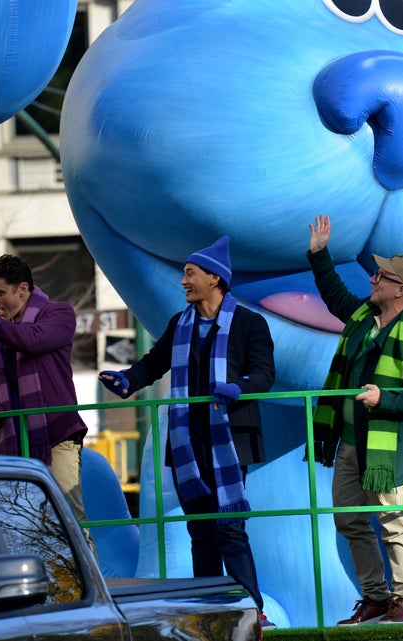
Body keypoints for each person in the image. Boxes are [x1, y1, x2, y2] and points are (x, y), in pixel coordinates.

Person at [98, 236, 276, 628]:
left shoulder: (250, 323)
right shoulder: (180, 324)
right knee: (200, 531)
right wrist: (128, 380)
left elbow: (264, 375)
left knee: (229, 527)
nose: (183, 281)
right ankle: (211, 611)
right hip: (186, 445)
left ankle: (252, 609)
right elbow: (153, 363)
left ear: (215, 278)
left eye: (190, 273)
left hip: (229, 442)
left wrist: (238, 388)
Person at [306, 214, 403, 625]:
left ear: (401, 290)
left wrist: (385, 399)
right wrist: (318, 255)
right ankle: (376, 597)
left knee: (392, 521)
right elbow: (335, 297)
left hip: (384, 449)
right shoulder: (362, 319)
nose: (372, 281)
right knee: (347, 519)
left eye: (380, 277)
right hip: (349, 441)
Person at [0, 255, 92, 542]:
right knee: (20, 530)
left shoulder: (59, 314)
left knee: (69, 522)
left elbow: (33, 339)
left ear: (23, 289)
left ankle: (87, 586)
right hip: (13, 446)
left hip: (56, 437)